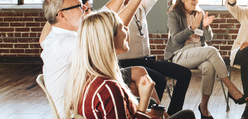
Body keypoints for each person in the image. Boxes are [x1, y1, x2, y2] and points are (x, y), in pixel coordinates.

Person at [40, 0, 154, 118]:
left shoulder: (61, 36)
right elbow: (111, 28)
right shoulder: (65, 44)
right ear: (62, 15)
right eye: (79, 6)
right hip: (80, 113)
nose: (85, 9)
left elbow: (105, 18)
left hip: (87, 103)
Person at [63, 10, 195, 119]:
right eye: (122, 27)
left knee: (154, 103)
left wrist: (145, 105)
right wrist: (143, 99)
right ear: (110, 38)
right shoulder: (108, 89)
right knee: (187, 115)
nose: (127, 29)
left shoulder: (86, 76)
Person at [113, 0, 192, 116]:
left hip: (147, 60)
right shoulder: (116, 13)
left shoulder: (141, 7)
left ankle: (173, 113)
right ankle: (154, 114)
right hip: (127, 63)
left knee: (185, 74)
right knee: (159, 80)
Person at [165, 0, 248, 119]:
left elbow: (208, 39)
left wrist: (206, 26)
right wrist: (192, 27)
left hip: (199, 51)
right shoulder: (173, 14)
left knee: (209, 67)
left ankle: (203, 107)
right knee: (212, 50)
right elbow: (175, 40)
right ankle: (231, 88)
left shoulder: (199, 13)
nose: (196, 1)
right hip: (181, 53)